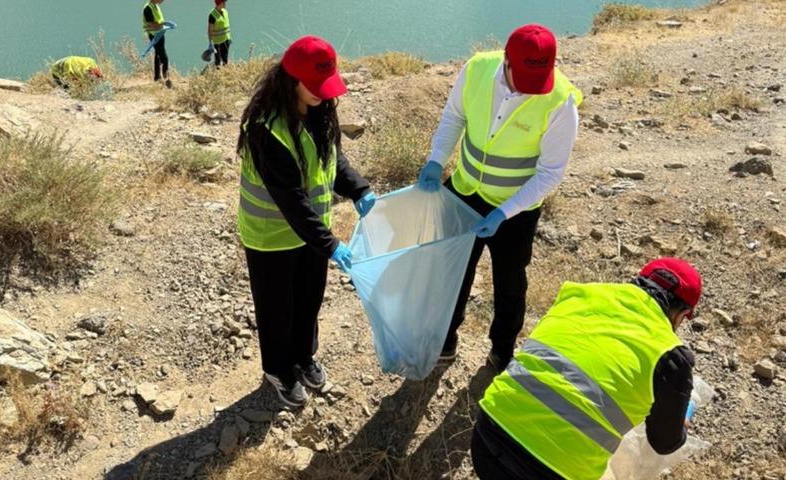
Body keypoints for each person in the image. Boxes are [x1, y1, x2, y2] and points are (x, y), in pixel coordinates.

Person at [416, 24, 582, 371]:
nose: (529, 89)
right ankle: (445, 341)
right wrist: (435, 161)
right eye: (522, 76)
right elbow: (454, 117)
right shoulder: (477, 69)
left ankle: (502, 350)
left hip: (515, 211)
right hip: (463, 193)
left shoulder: (560, 101)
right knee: (453, 274)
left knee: (510, 283)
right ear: (506, 60)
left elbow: (550, 172)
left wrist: (504, 212)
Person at [236, 35, 376, 408]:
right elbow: (292, 202)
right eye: (313, 87)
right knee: (277, 306)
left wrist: (359, 189)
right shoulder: (266, 130)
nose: (321, 94)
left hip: (311, 234)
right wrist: (331, 244)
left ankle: (303, 356)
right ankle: (279, 369)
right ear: (290, 80)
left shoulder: (320, 110)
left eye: (325, 86)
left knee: (309, 300)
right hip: (271, 237)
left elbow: (333, 160)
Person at [472, 258, 702, 480]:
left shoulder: (579, 292)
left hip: (487, 436)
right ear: (681, 315)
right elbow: (664, 443)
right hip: (553, 472)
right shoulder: (672, 357)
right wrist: (684, 415)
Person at [142, 0, 172, 88]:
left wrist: (164, 26)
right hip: (154, 34)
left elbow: (158, 21)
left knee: (158, 54)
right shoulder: (148, 8)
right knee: (164, 56)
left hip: (160, 33)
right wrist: (165, 24)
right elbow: (151, 24)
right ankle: (167, 80)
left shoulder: (156, 6)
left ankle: (157, 77)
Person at [208, 0, 231, 67]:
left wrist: (229, 38)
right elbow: (210, 30)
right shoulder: (212, 15)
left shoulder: (225, 11)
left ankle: (225, 73)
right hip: (217, 42)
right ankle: (218, 73)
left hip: (226, 39)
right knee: (218, 62)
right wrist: (210, 42)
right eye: (223, 2)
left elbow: (227, 26)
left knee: (225, 60)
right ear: (219, 3)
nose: (225, 3)